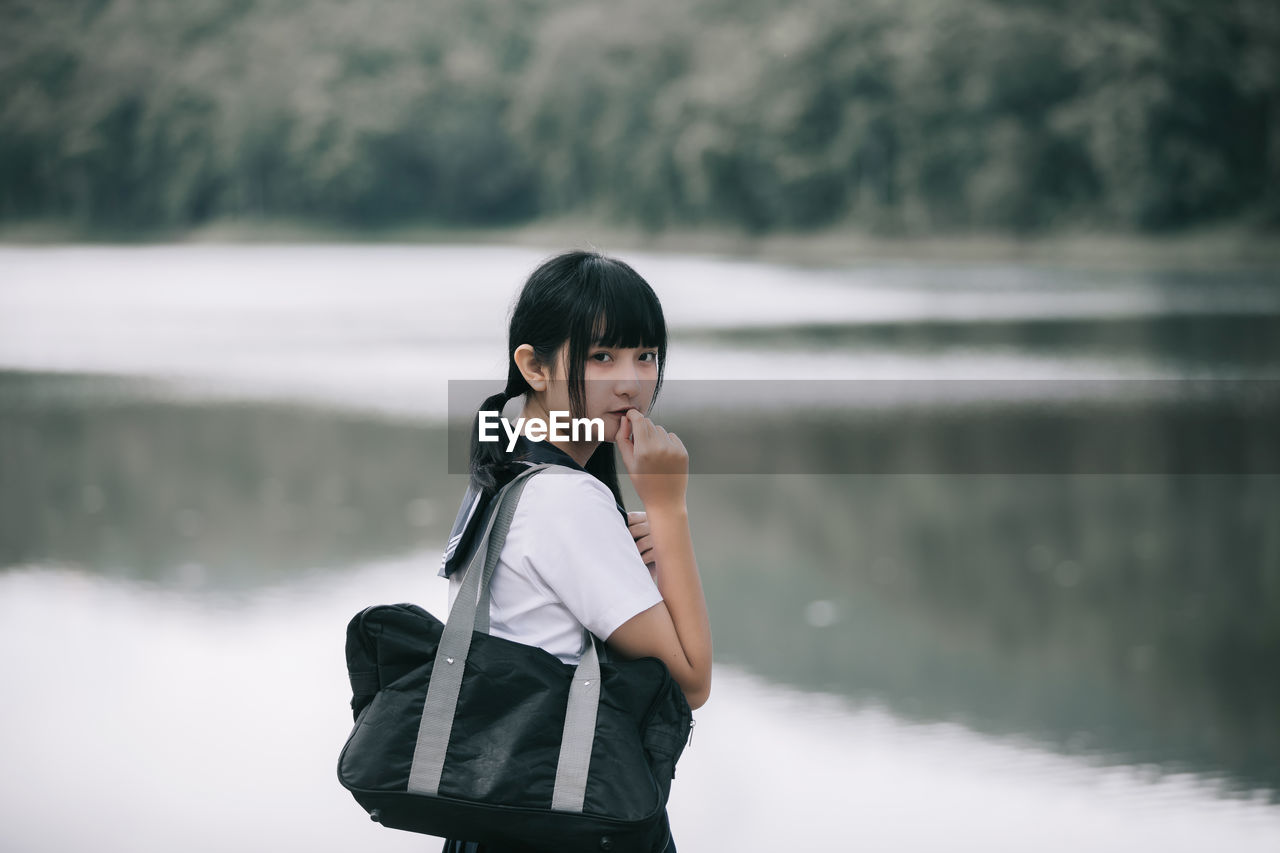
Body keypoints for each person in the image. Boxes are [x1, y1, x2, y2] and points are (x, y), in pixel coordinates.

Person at [437, 250, 712, 853]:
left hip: (500, 807)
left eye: (646, 355)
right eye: (601, 356)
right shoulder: (568, 499)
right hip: (565, 820)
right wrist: (668, 510)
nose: (632, 381)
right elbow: (689, 680)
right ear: (534, 367)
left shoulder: (502, 473)